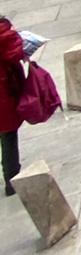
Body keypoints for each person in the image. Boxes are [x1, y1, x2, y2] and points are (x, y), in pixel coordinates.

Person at [1, 14, 28, 194]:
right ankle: (12, 181)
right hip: (3, 95)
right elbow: (16, 52)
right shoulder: (4, 35)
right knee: (8, 137)